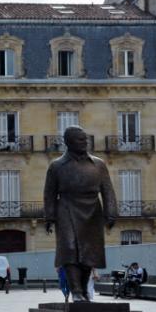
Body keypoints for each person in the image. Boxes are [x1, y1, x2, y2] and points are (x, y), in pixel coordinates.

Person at [44, 126, 117, 302]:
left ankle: (83, 289)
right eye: (80, 139)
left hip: (92, 209)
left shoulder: (98, 164)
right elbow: (49, 193)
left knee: (89, 252)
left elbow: (107, 190)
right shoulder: (57, 166)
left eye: (85, 139)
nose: (85, 142)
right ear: (68, 142)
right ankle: (75, 290)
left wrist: (111, 213)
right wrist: (49, 217)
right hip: (67, 207)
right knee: (69, 249)